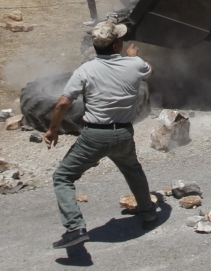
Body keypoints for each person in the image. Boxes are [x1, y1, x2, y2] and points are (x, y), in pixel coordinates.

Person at [44, 20, 157, 249]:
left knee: (63, 177)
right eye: (120, 39)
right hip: (124, 133)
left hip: (95, 135)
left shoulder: (85, 70)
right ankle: (149, 215)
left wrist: (53, 128)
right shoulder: (134, 64)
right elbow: (150, 68)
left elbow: (63, 103)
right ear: (116, 45)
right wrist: (133, 56)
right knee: (133, 171)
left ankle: (74, 227)